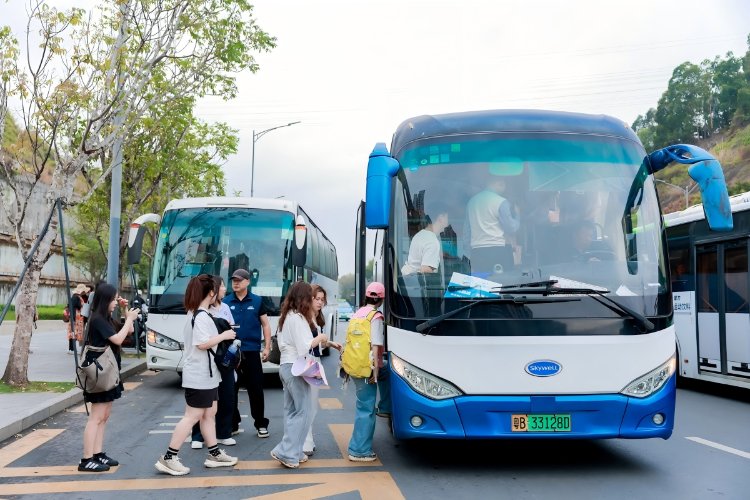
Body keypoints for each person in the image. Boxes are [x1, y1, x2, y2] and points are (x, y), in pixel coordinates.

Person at [155, 274, 238, 476]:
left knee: (209, 413)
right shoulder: (200, 316)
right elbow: (201, 344)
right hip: (199, 375)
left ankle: (214, 453)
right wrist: (225, 335)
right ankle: (169, 457)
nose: (218, 292)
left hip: (207, 374)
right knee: (192, 416)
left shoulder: (197, 313)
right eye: (216, 289)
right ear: (210, 293)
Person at [78, 283, 138, 472]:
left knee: (104, 416)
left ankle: (97, 453)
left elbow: (129, 332)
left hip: (108, 373)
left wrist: (126, 311)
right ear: (105, 300)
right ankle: (86, 459)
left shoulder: (106, 319)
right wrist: (130, 318)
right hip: (99, 374)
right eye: (114, 299)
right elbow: (118, 340)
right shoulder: (97, 319)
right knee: (96, 417)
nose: (116, 302)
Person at [270, 281, 329, 469]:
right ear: (303, 298)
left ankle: (293, 451)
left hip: (286, 366)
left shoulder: (286, 316)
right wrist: (321, 337)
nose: (313, 300)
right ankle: (286, 451)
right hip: (296, 367)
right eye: (310, 297)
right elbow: (305, 347)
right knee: (303, 411)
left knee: (291, 411)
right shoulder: (298, 318)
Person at [191, 276, 237, 449]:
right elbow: (202, 342)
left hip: (224, 357)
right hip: (207, 360)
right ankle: (197, 436)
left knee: (226, 396)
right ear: (213, 291)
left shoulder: (225, 307)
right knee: (203, 401)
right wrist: (223, 334)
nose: (225, 289)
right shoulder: (200, 312)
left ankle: (224, 433)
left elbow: (231, 328)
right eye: (222, 286)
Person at [225, 268, 272, 438]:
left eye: (239, 280)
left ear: (248, 282)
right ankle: (233, 423)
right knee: (231, 389)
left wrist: (267, 347)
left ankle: (261, 424)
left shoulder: (257, 301)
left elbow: (265, 324)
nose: (236, 283)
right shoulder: (225, 301)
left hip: (251, 351)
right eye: (233, 280)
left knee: (256, 388)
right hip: (231, 351)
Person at [347, 282, 386, 462]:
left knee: (390, 370)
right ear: (381, 300)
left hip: (354, 365)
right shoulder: (375, 317)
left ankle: (385, 407)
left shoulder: (357, 314)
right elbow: (376, 347)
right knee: (366, 409)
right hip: (367, 368)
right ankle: (359, 450)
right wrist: (374, 373)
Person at [303, 285, 342, 456]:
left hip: (315, 362)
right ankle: (305, 441)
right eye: (316, 299)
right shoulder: (303, 318)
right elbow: (307, 343)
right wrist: (321, 338)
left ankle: (307, 439)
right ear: (308, 299)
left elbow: (319, 343)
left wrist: (331, 344)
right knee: (306, 404)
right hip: (305, 363)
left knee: (312, 404)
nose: (319, 302)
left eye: (322, 299)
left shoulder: (317, 317)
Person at [464, 176, 520, 275]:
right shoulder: (501, 201)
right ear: (499, 183)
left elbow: (467, 232)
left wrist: (469, 255)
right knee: (502, 281)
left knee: (481, 282)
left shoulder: (471, 202)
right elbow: (511, 228)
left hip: (477, 252)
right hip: (497, 251)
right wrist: (518, 215)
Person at [401, 211, 450, 276]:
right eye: (447, 217)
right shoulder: (432, 241)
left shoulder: (419, 235)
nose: (448, 222)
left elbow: (417, 260)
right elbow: (425, 271)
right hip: (417, 281)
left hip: (409, 278)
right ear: (440, 218)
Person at [67, 284, 90, 354]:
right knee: (74, 333)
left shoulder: (76, 297)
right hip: (76, 318)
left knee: (74, 333)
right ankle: (72, 349)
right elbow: (73, 307)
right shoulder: (76, 297)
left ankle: (72, 349)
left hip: (77, 318)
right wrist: (73, 318)